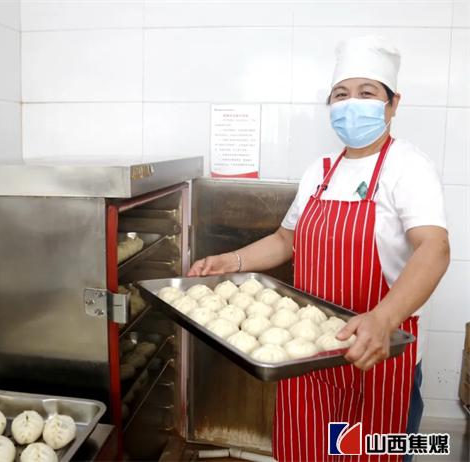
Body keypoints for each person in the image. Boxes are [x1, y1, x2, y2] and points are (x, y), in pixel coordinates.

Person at [188, 36, 450, 461]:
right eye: (341, 95)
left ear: (393, 104)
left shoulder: (409, 168)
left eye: (367, 93)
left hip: (377, 357)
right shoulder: (320, 172)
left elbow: (434, 248)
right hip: (308, 359)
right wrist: (231, 261)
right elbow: (285, 240)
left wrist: (383, 318)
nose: (352, 103)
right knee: (306, 450)